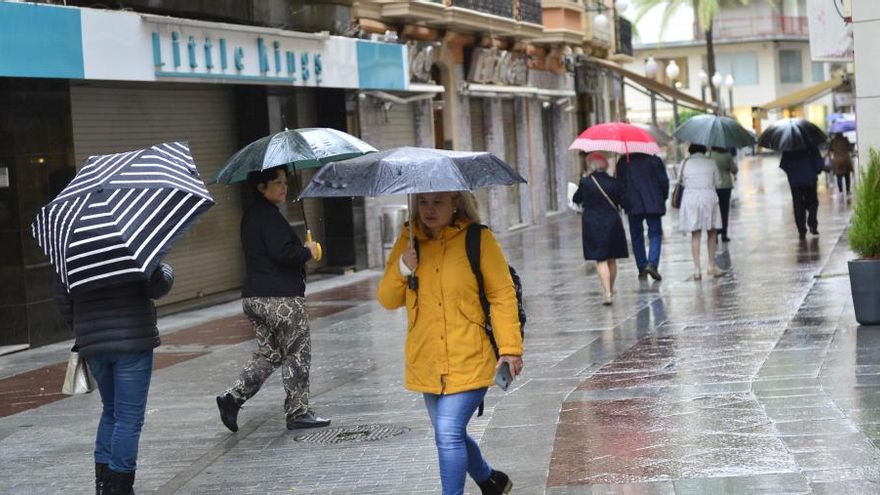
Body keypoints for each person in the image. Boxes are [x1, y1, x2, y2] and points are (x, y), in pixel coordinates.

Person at [377, 191, 523, 495]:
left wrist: (510, 349)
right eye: (423, 202)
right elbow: (387, 300)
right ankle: (490, 481)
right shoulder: (409, 241)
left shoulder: (478, 239)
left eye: (438, 202)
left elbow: (501, 294)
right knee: (449, 431)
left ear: (455, 202)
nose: (428, 209)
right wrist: (403, 268)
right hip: (427, 359)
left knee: (447, 431)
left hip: (470, 353)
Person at [216, 166, 328, 433]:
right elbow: (282, 253)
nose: (284, 187)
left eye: (285, 182)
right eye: (277, 183)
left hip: (255, 298)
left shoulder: (251, 216)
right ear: (260, 187)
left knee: (270, 353)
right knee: (297, 353)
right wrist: (306, 251)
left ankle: (232, 398)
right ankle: (298, 412)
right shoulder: (269, 217)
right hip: (281, 301)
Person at [54, 264, 175, 494]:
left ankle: (103, 484)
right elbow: (157, 286)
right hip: (133, 339)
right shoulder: (129, 241)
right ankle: (119, 487)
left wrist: (83, 331)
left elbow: (63, 297)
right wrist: (166, 270)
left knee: (110, 410)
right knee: (129, 418)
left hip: (93, 343)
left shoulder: (70, 247)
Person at [573, 153, 629, 305]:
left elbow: (576, 199)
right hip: (612, 222)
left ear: (591, 165)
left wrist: (584, 179)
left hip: (593, 223)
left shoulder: (585, 182)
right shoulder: (614, 182)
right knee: (612, 258)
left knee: (601, 259)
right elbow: (624, 201)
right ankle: (610, 288)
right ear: (605, 166)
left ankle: (607, 293)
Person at [615, 152, 669, 281]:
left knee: (636, 236)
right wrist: (662, 197)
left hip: (632, 204)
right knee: (655, 234)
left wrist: (623, 202)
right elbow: (663, 182)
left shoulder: (623, 162)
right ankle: (652, 264)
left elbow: (620, 185)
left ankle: (642, 267)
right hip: (653, 202)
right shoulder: (655, 160)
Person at [679, 144, 724, 280]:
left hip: (691, 199)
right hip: (708, 198)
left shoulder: (684, 163)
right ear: (704, 150)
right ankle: (711, 265)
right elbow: (719, 183)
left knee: (695, 234)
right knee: (712, 232)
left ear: (691, 151)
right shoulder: (711, 162)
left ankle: (697, 269)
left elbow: (681, 182)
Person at [780, 146, 824, 239]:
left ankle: (801, 230)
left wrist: (792, 172)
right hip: (810, 178)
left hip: (795, 181)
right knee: (812, 202)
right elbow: (818, 162)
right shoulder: (810, 144)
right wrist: (817, 170)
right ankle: (812, 223)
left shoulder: (788, 147)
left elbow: (783, 164)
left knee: (798, 204)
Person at [711, 147, 738, 242]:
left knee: (714, 211)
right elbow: (734, 170)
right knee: (724, 211)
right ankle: (724, 233)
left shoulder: (710, 156)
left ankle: (715, 233)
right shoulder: (727, 155)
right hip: (726, 186)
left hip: (714, 186)